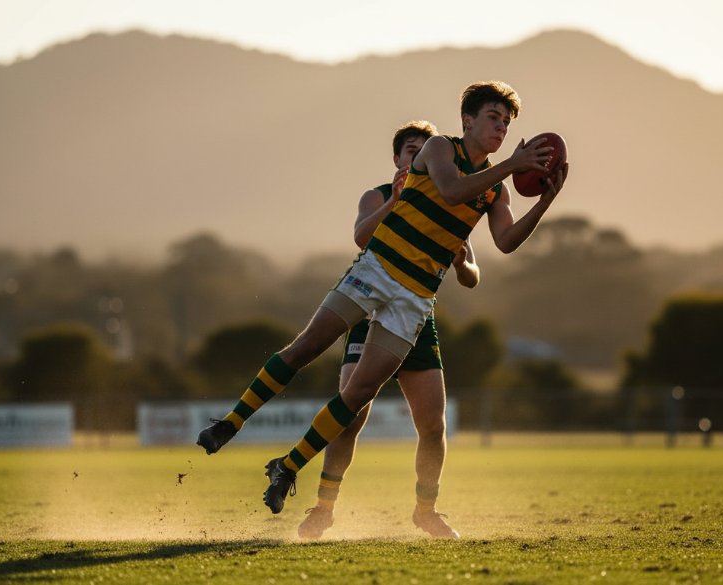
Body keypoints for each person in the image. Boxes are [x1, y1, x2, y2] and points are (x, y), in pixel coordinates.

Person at [196, 80, 568, 522]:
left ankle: (288, 465)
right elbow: (450, 191)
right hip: (377, 270)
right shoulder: (438, 149)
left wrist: (545, 200)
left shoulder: (495, 189)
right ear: (467, 119)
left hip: (414, 298)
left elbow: (505, 242)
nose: (501, 129)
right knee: (306, 348)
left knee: (358, 397)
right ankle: (230, 423)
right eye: (493, 118)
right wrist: (511, 164)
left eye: (507, 124)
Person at [297, 120, 478, 540]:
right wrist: (394, 202)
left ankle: (426, 510)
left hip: (415, 321)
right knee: (351, 416)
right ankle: (323, 508)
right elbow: (361, 238)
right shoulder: (378, 196)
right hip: (370, 313)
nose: (419, 158)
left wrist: (462, 263)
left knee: (433, 425)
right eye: (411, 151)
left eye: (426, 151)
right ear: (397, 159)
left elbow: (471, 277)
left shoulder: (452, 203)